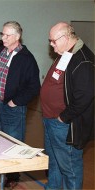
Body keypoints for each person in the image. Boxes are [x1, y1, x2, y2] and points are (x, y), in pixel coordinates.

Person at [0, 21, 40, 187]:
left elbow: (34, 87)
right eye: (2, 34)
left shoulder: (26, 59)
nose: (3, 38)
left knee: (13, 142)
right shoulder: (1, 52)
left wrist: (15, 101)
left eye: (7, 35)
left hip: (12, 108)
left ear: (17, 37)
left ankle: (12, 177)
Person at [40, 22, 94, 189]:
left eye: (53, 40)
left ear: (65, 38)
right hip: (50, 120)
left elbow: (85, 96)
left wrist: (63, 118)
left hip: (65, 125)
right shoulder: (66, 53)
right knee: (54, 164)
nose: (51, 44)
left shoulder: (83, 60)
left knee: (69, 168)